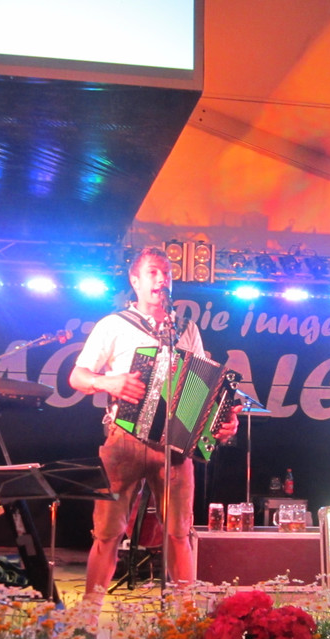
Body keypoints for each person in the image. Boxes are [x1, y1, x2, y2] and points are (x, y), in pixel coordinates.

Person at [69, 246, 239, 601]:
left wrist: (223, 421)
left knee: (179, 533)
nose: (162, 279)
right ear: (135, 281)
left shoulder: (186, 329)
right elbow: (77, 376)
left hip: (175, 446)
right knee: (107, 534)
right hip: (124, 439)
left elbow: (201, 386)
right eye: (153, 272)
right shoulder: (113, 324)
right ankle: (87, 618)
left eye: (167, 273)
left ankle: (185, 619)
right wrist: (109, 382)